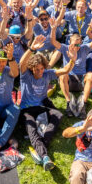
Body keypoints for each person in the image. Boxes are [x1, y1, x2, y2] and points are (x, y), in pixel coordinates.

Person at [19, 37, 74, 171]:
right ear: (31, 68)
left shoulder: (47, 74)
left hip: (41, 107)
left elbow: (65, 70)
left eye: (41, 69)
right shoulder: (26, 75)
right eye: (36, 69)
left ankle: (42, 142)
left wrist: (73, 59)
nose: (39, 72)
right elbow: (21, 63)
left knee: (58, 115)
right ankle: (45, 157)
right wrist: (32, 48)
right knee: (31, 130)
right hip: (26, 109)